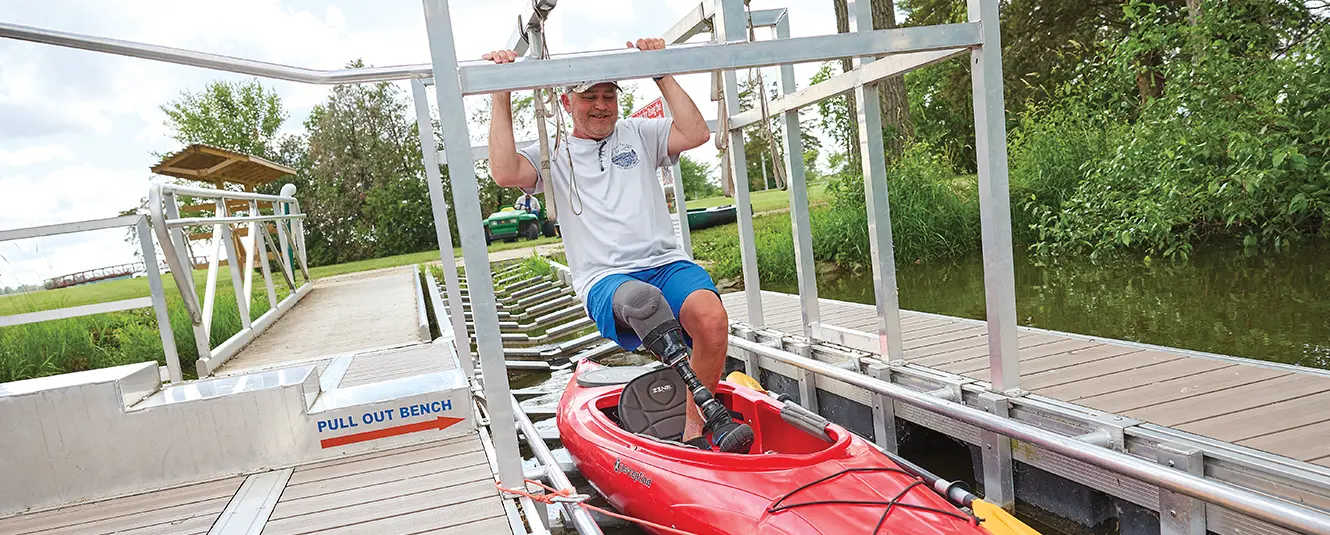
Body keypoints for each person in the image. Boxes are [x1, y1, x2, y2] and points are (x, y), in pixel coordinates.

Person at [484, 38, 729, 449]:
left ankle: (696, 433)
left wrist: (660, 69)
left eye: (608, 96)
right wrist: (501, 88)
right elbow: (504, 172)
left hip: (666, 263)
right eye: (590, 97)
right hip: (607, 278)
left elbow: (697, 132)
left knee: (712, 319)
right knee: (644, 303)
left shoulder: (638, 134)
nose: (601, 105)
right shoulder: (553, 152)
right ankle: (699, 396)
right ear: (567, 103)